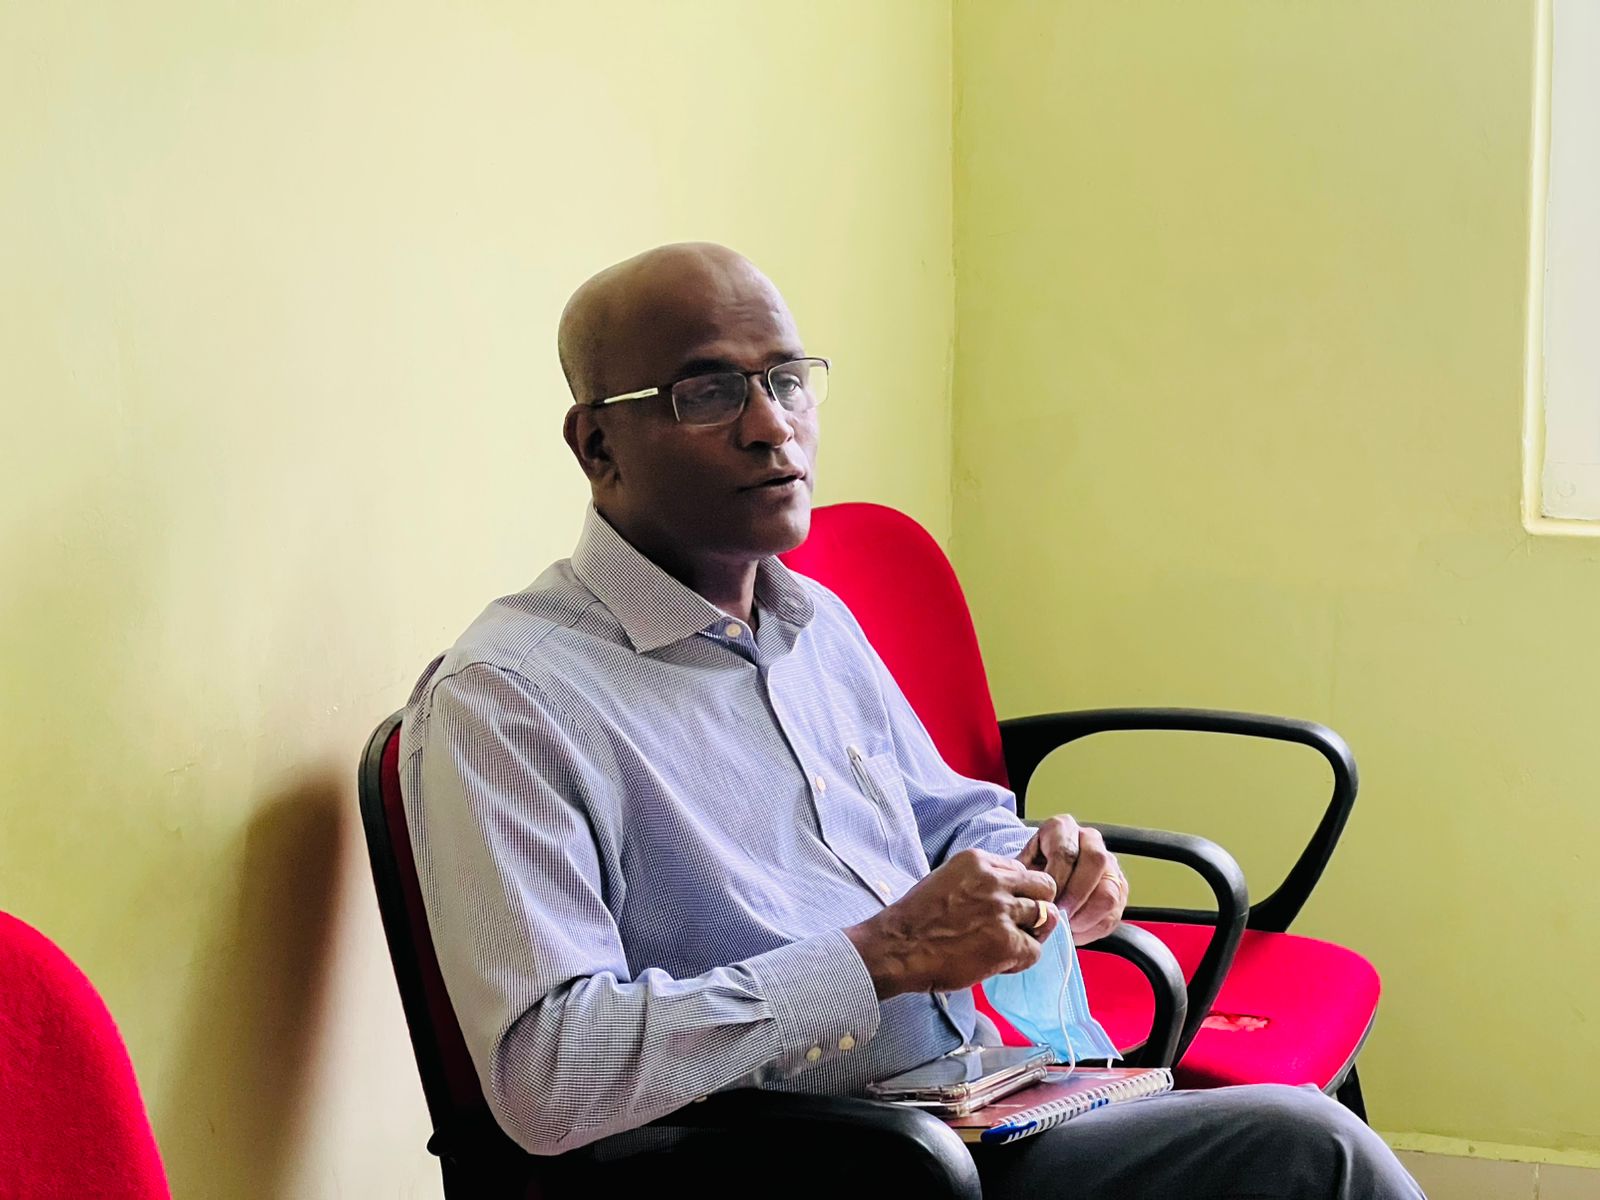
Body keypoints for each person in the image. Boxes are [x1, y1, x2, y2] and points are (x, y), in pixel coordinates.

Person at [400, 242, 1423, 1197]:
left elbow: (945, 819)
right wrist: (879, 955)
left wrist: (1038, 866)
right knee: (1311, 1154)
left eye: (787, 380)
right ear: (597, 445)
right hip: (813, 1165)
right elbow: (547, 1074)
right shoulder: (511, 699)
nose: (771, 425)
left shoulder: (812, 621)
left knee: (1301, 1143)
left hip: (973, 1110)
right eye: (706, 393)